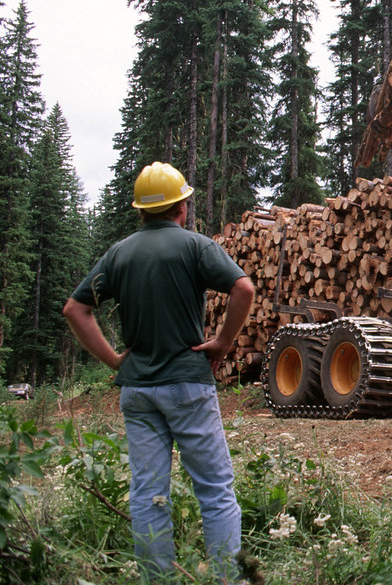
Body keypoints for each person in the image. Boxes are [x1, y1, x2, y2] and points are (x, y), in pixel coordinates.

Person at [64, 161, 255, 583]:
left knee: (149, 494)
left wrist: (116, 360)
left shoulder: (119, 253)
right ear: (181, 207)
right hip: (187, 384)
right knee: (215, 490)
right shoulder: (195, 246)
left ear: (142, 211)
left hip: (138, 391)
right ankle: (228, 578)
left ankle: (158, 579)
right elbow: (244, 287)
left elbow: (75, 309)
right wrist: (223, 342)